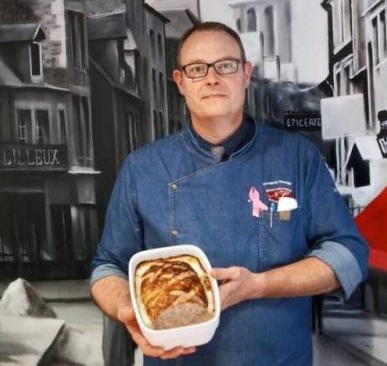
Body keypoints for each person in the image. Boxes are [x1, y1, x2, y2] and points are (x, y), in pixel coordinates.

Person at [90, 21, 369, 366]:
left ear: (246, 74)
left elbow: (349, 255)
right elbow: (107, 268)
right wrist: (124, 308)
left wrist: (260, 284)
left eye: (225, 65)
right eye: (197, 69)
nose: (211, 78)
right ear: (180, 82)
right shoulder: (142, 168)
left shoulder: (296, 157)